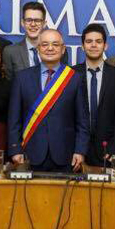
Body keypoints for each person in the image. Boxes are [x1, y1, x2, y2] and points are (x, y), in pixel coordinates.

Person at [7, 29, 89, 172]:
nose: (50, 48)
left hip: (66, 155)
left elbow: (82, 121)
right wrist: (15, 149)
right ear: (38, 49)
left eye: (55, 44)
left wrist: (80, 150)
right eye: (44, 44)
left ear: (63, 49)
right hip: (29, 154)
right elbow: (14, 119)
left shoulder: (75, 78)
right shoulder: (22, 78)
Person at [74, 24, 115, 167]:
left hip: (107, 150)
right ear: (82, 46)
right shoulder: (71, 74)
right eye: (89, 41)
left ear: (105, 46)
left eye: (98, 42)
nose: (93, 45)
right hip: (76, 150)